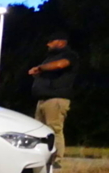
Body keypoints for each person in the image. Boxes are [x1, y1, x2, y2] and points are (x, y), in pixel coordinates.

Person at [30, 31, 78, 165]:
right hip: (43, 98)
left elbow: (60, 65)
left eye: (51, 41)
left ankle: (56, 159)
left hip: (56, 98)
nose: (48, 44)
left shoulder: (70, 55)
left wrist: (40, 68)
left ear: (61, 42)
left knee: (54, 129)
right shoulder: (49, 58)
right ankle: (42, 157)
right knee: (39, 129)